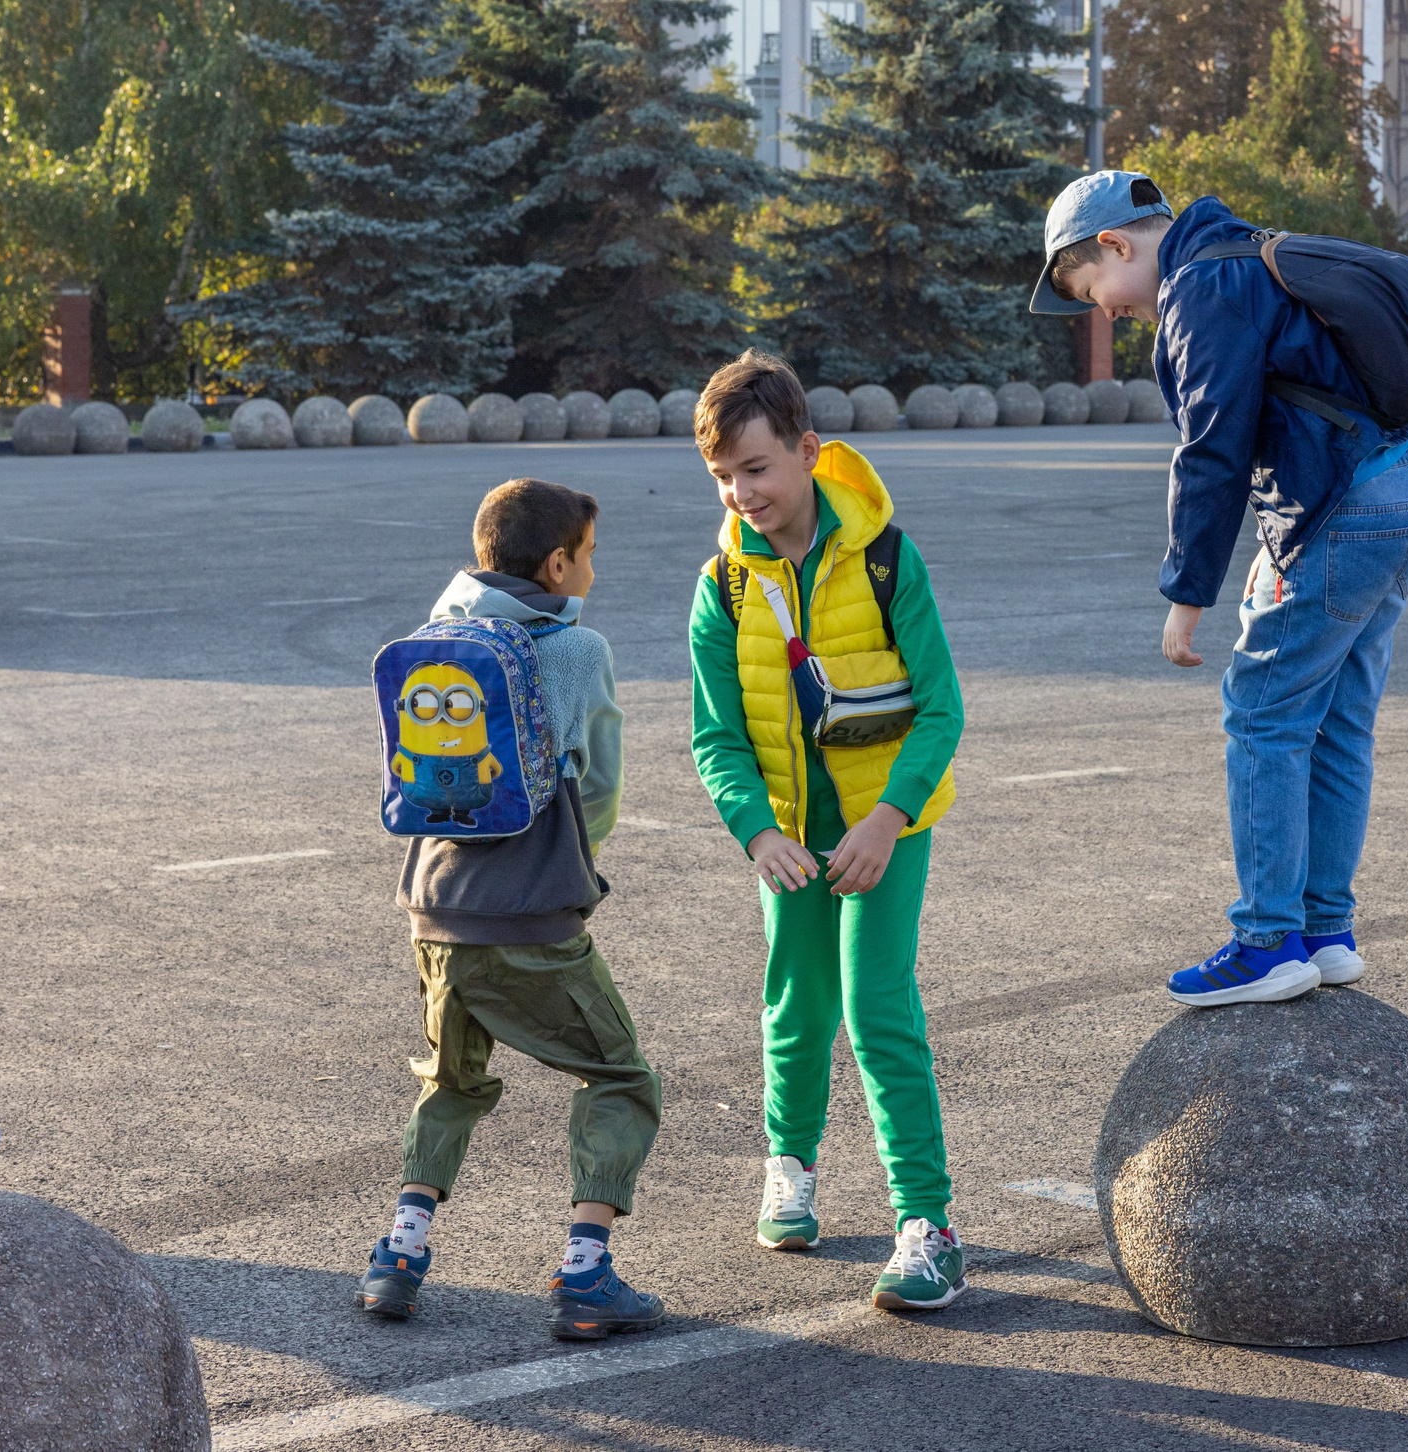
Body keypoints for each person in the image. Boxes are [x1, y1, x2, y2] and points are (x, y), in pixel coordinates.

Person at [1033, 170, 1408, 1006]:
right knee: (1335, 721)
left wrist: (1189, 595)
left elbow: (1214, 449)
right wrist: (1276, 537)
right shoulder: (1243, 250)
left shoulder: (1200, 290)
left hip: (1345, 509)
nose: (1106, 313)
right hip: (1404, 491)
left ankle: (1266, 941)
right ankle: (1324, 932)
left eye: (1094, 290)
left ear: (1116, 244)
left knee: (1261, 713)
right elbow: (1291, 414)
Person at [686, 351, 970, 1312]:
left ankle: (927, 1226)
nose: (742, 492)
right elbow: (716, 736)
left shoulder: (889, 558)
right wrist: (757, 834)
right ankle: (790, 1171)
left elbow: (941, 710)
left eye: (757, 468)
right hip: (790, 842)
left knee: (879, 1010)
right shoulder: (722, 584)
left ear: (808, 452)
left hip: (883, 829)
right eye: (724, 476)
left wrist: (888, 821)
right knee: (796, 1009)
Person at [355, 478, 666, 1341]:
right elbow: (598, 784)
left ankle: (398, 1257)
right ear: (558, 562)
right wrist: (575, 855)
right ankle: (586, 1272)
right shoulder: (575, 651)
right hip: (531, 918)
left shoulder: (430, 637)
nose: (593, 569)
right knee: (619, 1078)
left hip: (433, 913)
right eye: (591, 554)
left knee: (449, 1081)